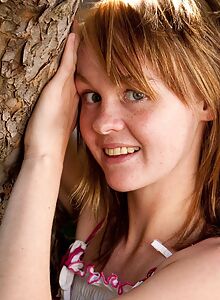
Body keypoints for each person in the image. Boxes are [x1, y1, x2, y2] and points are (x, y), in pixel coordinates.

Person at [0, 0, 219, 299]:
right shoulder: (99, 209)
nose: (103, 124)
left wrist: (44, 155)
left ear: (205, 98)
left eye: (135, 94)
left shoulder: (211, 271)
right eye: (92, 95)